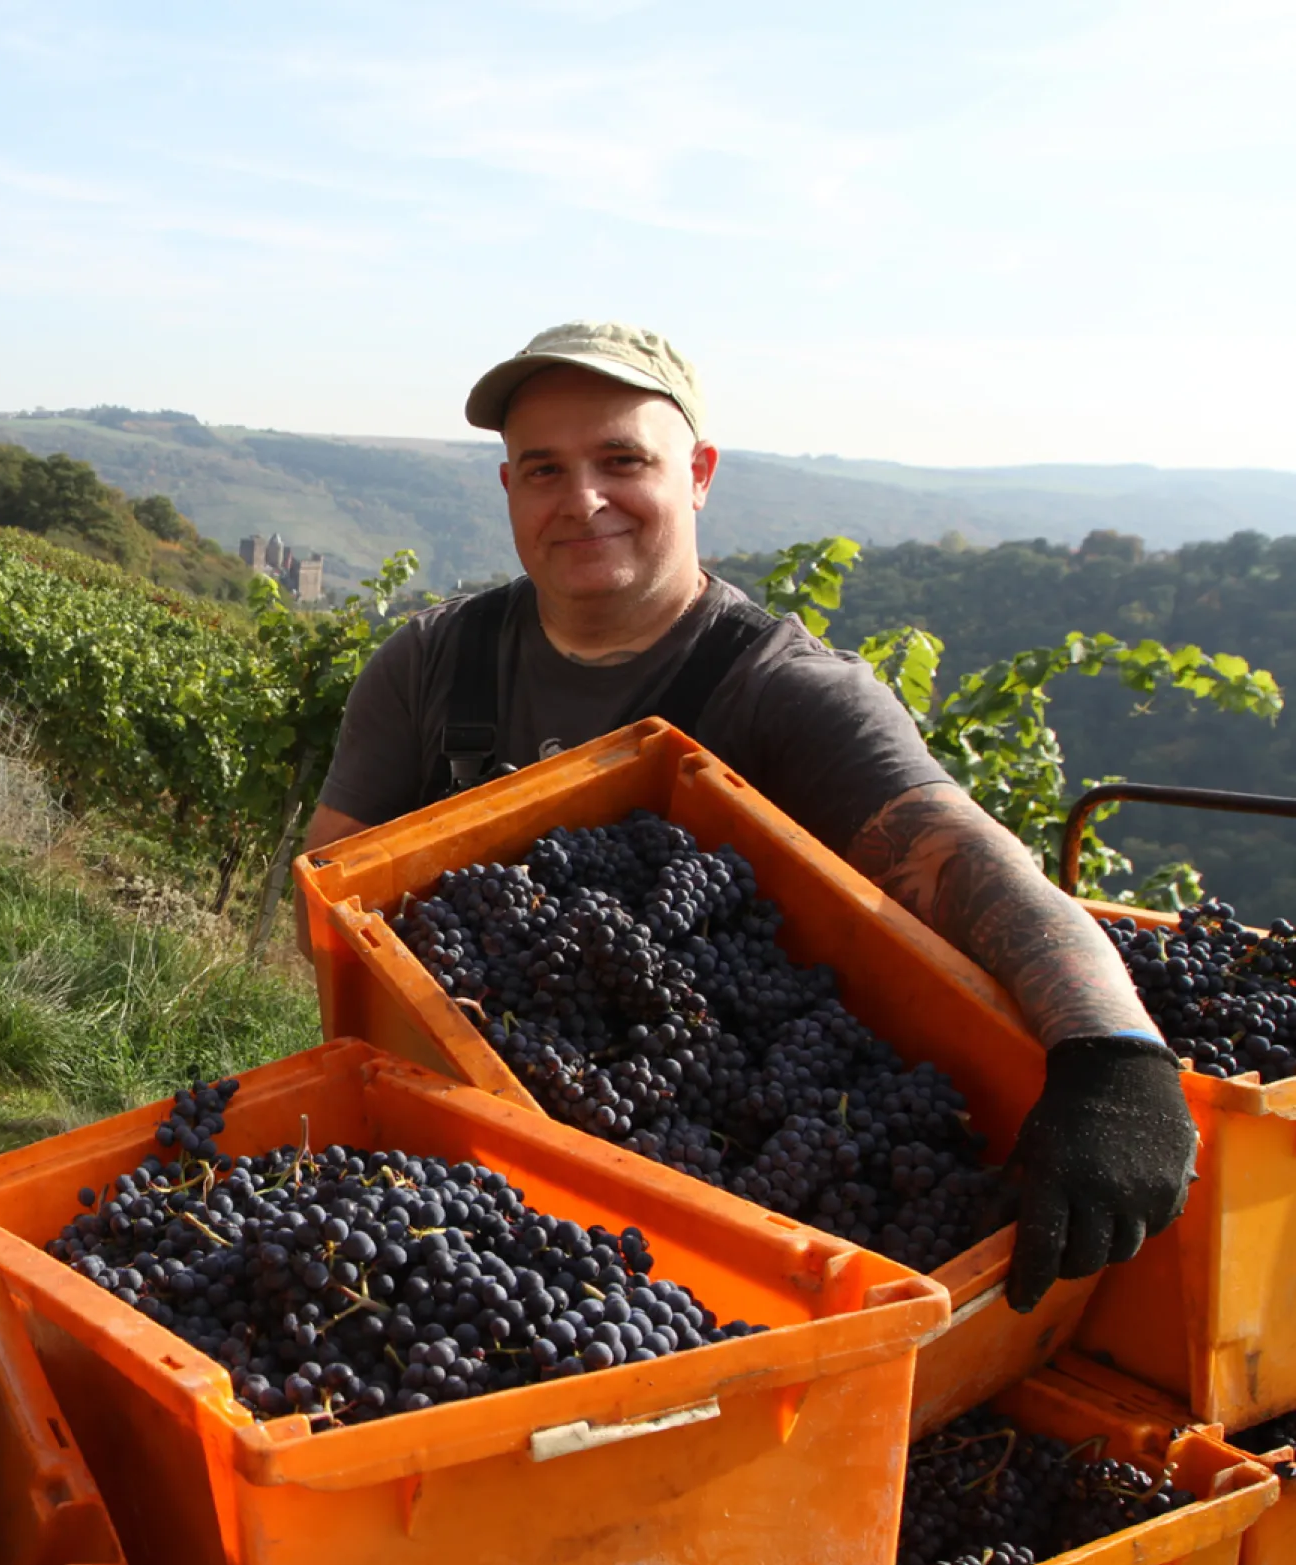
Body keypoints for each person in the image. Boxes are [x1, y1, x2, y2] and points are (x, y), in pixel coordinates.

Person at [305, 320, 1196, 1315]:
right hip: (449, 1175)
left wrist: (1110, 1052)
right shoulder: (429, 663)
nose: (581, 499)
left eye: (621, 460)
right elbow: (334, 894)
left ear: (697, 474)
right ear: (509, 487)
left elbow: (956, 857)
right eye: (544, 468)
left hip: (699, 1221)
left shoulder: (789, 693)